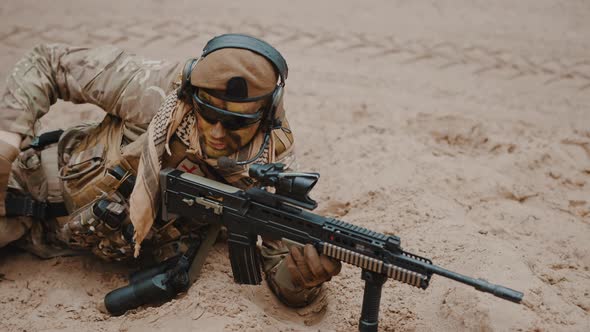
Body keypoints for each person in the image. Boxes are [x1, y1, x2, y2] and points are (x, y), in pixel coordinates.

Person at [0, 34, 341, 308]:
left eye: (238, 122)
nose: (219, 134)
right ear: (193, 95)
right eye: (209, 113)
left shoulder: (270, 166)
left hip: (92, 251)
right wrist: (5, 140)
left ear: (266, 116)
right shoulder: (156, 90)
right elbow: (48, 62)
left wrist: (299, 280)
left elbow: (280, 267)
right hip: (29, 191)